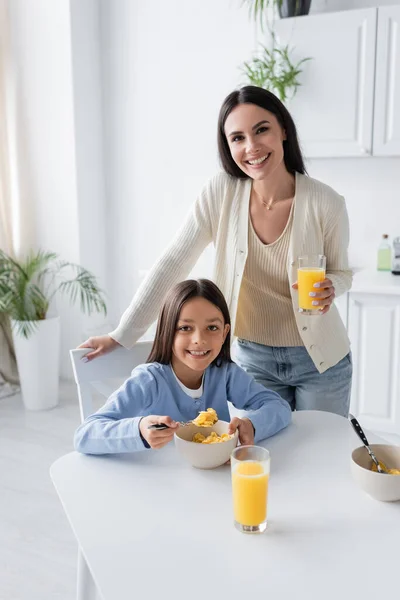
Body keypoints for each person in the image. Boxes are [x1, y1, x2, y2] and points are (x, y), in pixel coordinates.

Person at [79, 85, 353, 417]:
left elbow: (341, 272)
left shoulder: (326, 202)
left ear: (283, 129)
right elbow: (173, 262)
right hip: (254, 360)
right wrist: (123, 334)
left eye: (261, 130)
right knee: (260, 455)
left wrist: (332, 286)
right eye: (237, 138)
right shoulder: (220, 193)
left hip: (321, 360)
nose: (251, 147)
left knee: (317, 459)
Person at [74, 279, 291, 454]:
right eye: (185, 328)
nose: (199, 339)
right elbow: (85, 435)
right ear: (168, 331)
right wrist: (139, 430)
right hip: (160, 486)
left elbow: (278, 406)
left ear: (225, 333)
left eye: (212, 327)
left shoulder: (224, 373)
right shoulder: (149, 381)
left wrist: (251, 425)